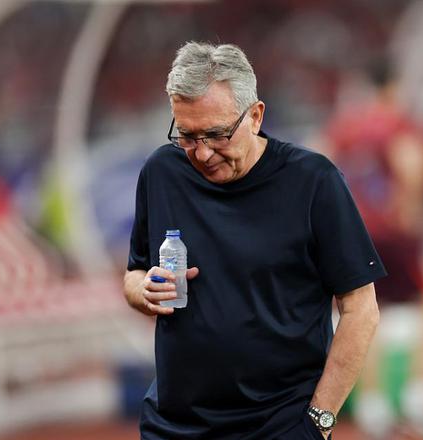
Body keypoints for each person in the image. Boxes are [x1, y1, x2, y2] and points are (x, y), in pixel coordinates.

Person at [122, 42, 385, 440]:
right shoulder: (162, 172)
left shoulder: (314, 181)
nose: (203, 153)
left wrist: (320, 422)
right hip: (174, 426)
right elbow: (135, 272)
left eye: (217, 134)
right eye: (187, 136)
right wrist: (143, 290)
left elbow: (361, 308)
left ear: (256, 116)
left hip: (279, 427)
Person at [321, 60, 423, 439]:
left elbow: (317, 161)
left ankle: (372, 407)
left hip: (353, 233)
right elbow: (411, 162)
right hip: (392, 235)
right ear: (394, 87)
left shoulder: (346, 125)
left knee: (363, 315)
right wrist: (410, 207)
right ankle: (420, 402)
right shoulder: (398, 124)